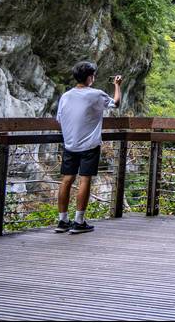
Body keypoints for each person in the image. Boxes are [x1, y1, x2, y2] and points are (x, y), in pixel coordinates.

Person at [55, 61, 122, 234]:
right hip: (89, 145)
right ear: (90, 77)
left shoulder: (66, 96)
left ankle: (62, 221)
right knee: (84, 179)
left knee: (67, 179)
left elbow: (60, 118)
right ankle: (79, 221)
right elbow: (116, 103)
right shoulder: (96, 94)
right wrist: (117, 85)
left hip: (70, 143)